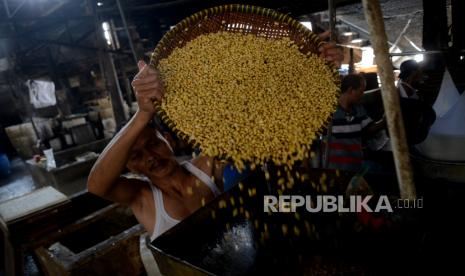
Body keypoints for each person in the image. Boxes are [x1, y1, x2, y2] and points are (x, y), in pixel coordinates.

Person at [326, 74, 385, 171]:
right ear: (350, 90)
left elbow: (369, 128)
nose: (362, 95)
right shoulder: (329, 111)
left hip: (355, 165)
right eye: (361, 92)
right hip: (334, 168)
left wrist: (385, 121)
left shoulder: (359, 109)